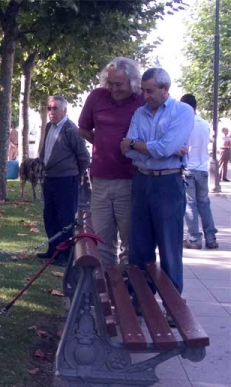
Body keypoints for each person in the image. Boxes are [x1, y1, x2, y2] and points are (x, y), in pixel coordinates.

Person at [121, 68, 194, 299]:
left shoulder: (182, 112)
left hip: (168, 183)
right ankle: (141, 298)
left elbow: (165, 149)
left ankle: (173, 304)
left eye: (150, 91)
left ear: (165, 88)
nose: (145, 96)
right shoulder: (139, 114)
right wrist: (150, 148)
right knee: (140, 246)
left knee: (169, 247)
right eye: (143, 90)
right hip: (142, 180)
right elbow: (127, 151)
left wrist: (137, 144)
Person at [78, 57, 145, 266]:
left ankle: (128, 288)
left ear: (133, 83)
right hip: (100, 179)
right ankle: (107, 290)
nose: (113, 89)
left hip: (131, 180)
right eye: (110, 83)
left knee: (130, 241)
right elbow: (83, 128)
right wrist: (103, 144)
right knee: (103, 240)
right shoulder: (97, 97)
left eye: (119, 84)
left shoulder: (142, 101)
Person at [37, 96, 90, 266]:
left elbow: (84, 156)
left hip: (66, 180)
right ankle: (52, 250)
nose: (51, 112)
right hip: (49, 178)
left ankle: (65, 254)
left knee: (65, 218)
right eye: (49, 108)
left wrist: (77, 175)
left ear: (64, 111)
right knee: (49, 215)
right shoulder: (48, 127)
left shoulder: (71, 129)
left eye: (55, 109)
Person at [180, 94, 219, 250]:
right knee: (204, 203)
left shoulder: (185, 124)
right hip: (202, 169)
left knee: (190, 205)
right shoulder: (204, 124)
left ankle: (194, 238)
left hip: (189, 168)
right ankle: (210, 237)